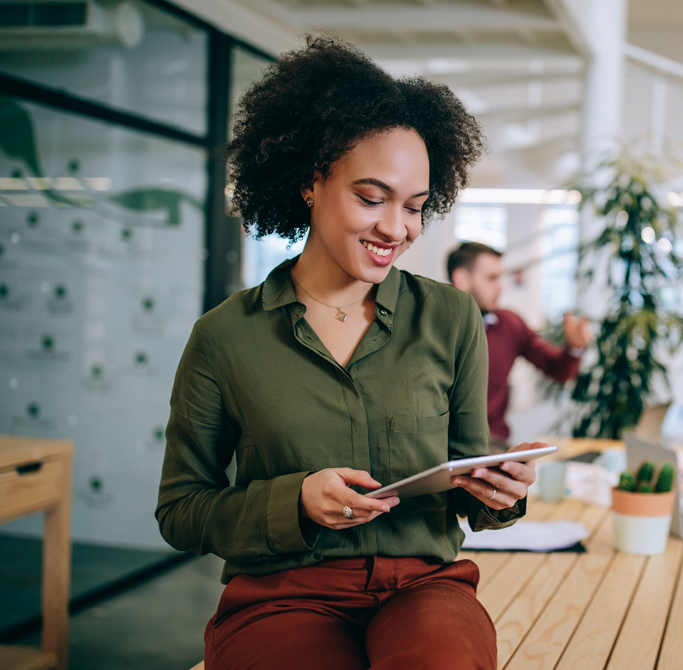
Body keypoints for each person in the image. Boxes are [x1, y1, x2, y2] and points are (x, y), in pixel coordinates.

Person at [155, 38, 541, 670]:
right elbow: (181, 510)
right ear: (311, 182)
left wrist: (499, 492)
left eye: (415, 208)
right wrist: (296, 502)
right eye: (372, 197)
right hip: (283, 596)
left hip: (424, 586)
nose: (397, 228)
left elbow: (470, 484)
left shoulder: (450, 317)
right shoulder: (226, 337)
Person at [447, 241, 592, 449]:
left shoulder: (510, 324)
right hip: (440, 444)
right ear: (462, 279)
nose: (501, 286)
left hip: (491, 441)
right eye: (491, 278)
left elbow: (559, 370)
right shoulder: (432, 326)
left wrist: (574, 347)